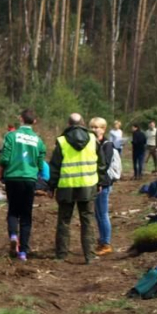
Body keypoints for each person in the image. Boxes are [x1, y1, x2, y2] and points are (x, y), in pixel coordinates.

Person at [48, 113, 104, 264]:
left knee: (64, 221)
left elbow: (54, 166)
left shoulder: (61, 141)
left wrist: (51, 186)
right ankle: (90, 256)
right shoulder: (93, 139)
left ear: (68, 124)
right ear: (83, 123)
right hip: (88, 186)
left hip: (66, 187)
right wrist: (101, 183)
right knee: (87, 220)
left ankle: (61, 255)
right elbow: (101, 163)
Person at [0, 109, 47, 261]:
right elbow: (40, 163)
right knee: (26, 215)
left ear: (20, 119)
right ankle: (23, 252)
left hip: (12, 178)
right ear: (34, 122)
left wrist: (0, 170)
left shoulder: (11, 136)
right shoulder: (38, 140)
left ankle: (13, 235)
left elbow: (5, 158)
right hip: (29, 179)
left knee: (13, 210)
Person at [90, 117, 116, 257]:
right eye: (92, 127)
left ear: (103, 129)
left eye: (97, 127)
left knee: (103, 213)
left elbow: (104, 165)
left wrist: (99, 182)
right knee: (98, 214)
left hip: (103, 183)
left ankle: (106, 243)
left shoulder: (107, 144)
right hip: (94, 182)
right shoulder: (92, 143)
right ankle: (102, 241)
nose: (94, 130)